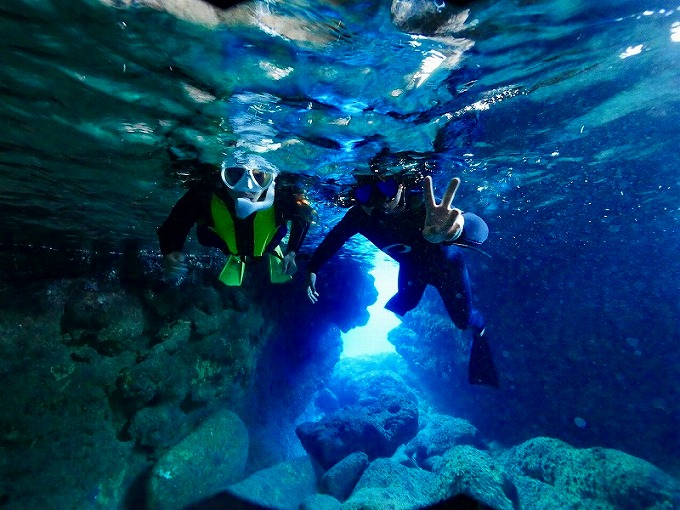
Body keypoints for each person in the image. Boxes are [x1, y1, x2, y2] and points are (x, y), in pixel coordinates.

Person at [306, 173, 499, 387]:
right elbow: (335, 238)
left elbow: (479, 229)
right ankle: (410, 299)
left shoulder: (423, 205)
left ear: (399, 187)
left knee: (463, 321)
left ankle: (480, 326)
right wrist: (313, 268)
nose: (379, 202)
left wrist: (457, 229)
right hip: (412, 269)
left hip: (448, 271)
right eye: (364, 194)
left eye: (385, 189)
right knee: (406, 304)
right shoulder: (359, 215)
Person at [158, 154, 312, 286]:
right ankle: (238, 253)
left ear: (270, 181)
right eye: (235, 175)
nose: (247, 187)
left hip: (267, 241)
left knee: (277, 235)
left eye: (258, 177)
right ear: (223, 176)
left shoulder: (281, 197)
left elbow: (304, 217)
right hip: (225, 241)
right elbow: (173, 224)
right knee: (204, 236)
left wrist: (292, 251)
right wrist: (171, 251)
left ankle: (258, 252)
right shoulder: (205, 193)